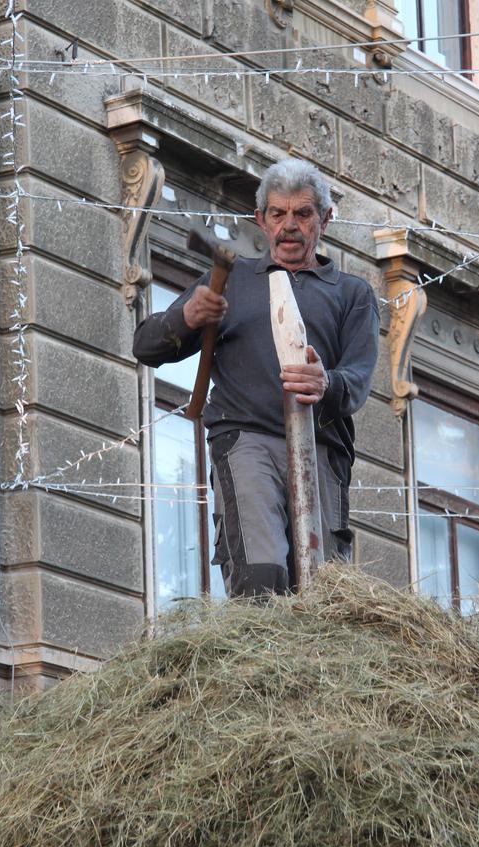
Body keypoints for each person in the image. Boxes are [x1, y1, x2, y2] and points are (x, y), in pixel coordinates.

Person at [133, 159, 380, 597]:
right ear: (261, 220)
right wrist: (186, 316)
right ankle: (258, 637)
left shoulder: (351, 293)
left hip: (321, 449)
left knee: (323, 590)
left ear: (325, 220)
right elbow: (147, 347)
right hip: (246, 439)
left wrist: (326, 383)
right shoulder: (232, 281)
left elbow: (357, 378)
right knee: (262, 575)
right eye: (278, 214)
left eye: (303, 214)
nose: (290, 226)